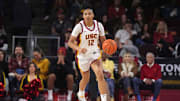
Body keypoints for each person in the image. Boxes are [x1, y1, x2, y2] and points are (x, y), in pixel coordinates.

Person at [68, 8, 109, 101]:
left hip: (95, 54)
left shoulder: (99, 26)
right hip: (83, 56)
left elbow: (103, 41)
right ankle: (81, 91)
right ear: (83, 16)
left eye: (89, 14)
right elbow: (70, 42)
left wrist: (107, 48)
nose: (87, 16)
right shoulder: (79, 26)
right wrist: (79, 48)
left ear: (93, 15)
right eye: (85, 14)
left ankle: (104, 99)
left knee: (100, 74)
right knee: (86, 78)